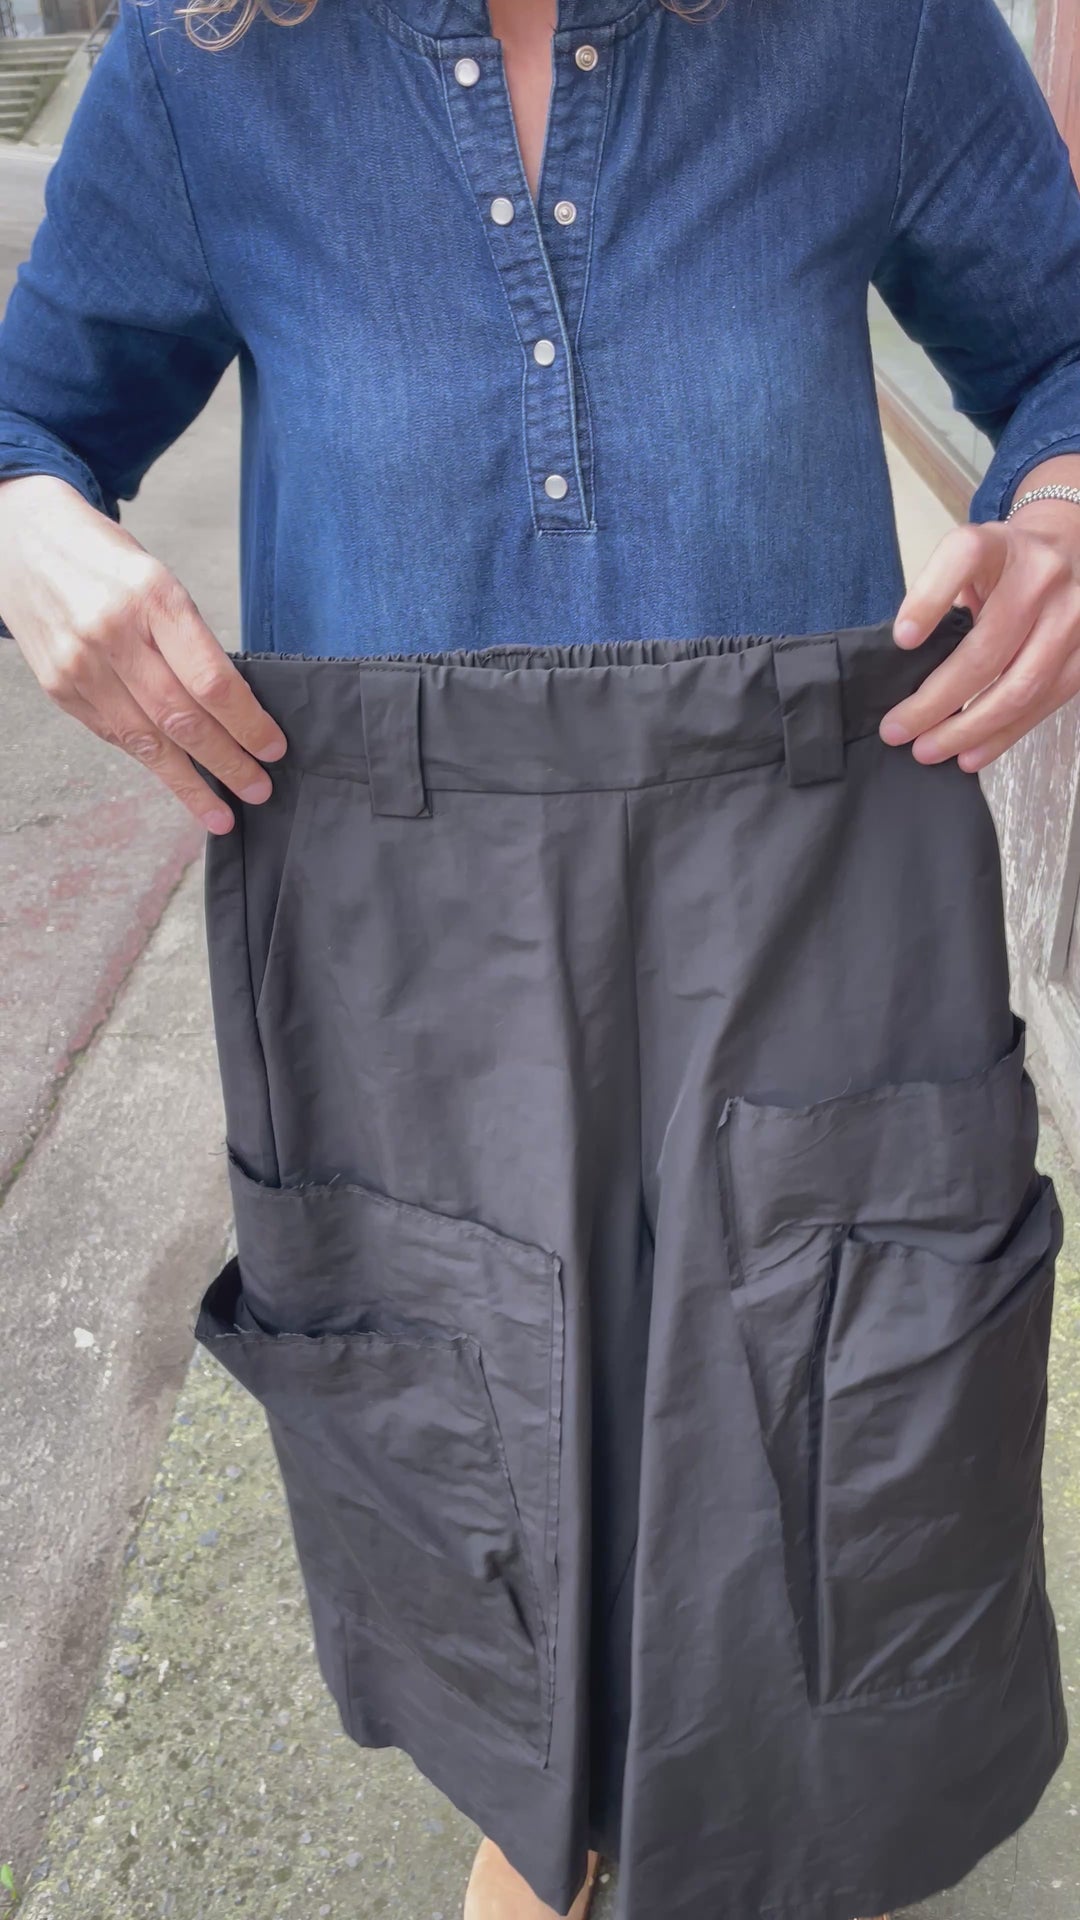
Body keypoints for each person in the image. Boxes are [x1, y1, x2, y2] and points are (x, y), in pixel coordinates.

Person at [1, 0, 1079, 1914]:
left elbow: (1064, 350)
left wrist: (1063, 508)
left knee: (831, 1422)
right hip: (399, 948)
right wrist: (26, 526)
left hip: (820, 908)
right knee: (480, 1445)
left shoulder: (876, 31)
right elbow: (32, 415)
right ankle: (550, 1825)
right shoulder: (201, 70)